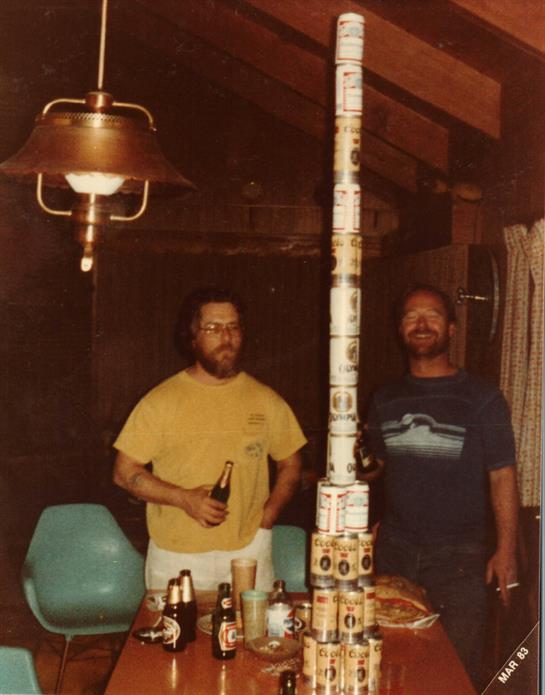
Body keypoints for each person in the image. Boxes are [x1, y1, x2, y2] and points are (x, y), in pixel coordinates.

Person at [366, 282, 519, 688]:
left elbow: (503, 474)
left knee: (453, 675)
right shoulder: (385, 398)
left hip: (460, 559)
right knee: (390, 666)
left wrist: (506, 549)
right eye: (411, 317)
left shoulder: (483, 398)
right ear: (400, 329)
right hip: (394, 551)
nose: (421, 324)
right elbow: (376, 468)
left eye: (432, 315)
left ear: (451, 328)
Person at [113, 286, 307, 592]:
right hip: (176, 554)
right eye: (213, 328)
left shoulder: (266, 400)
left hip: (249, 550)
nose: (226, 337)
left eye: (233, 327)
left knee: (251, 625)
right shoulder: (159, 401)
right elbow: (124, 472)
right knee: (174, 625)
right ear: (192, 338)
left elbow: (291, 464)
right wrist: (184, 499)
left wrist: (267, 517)